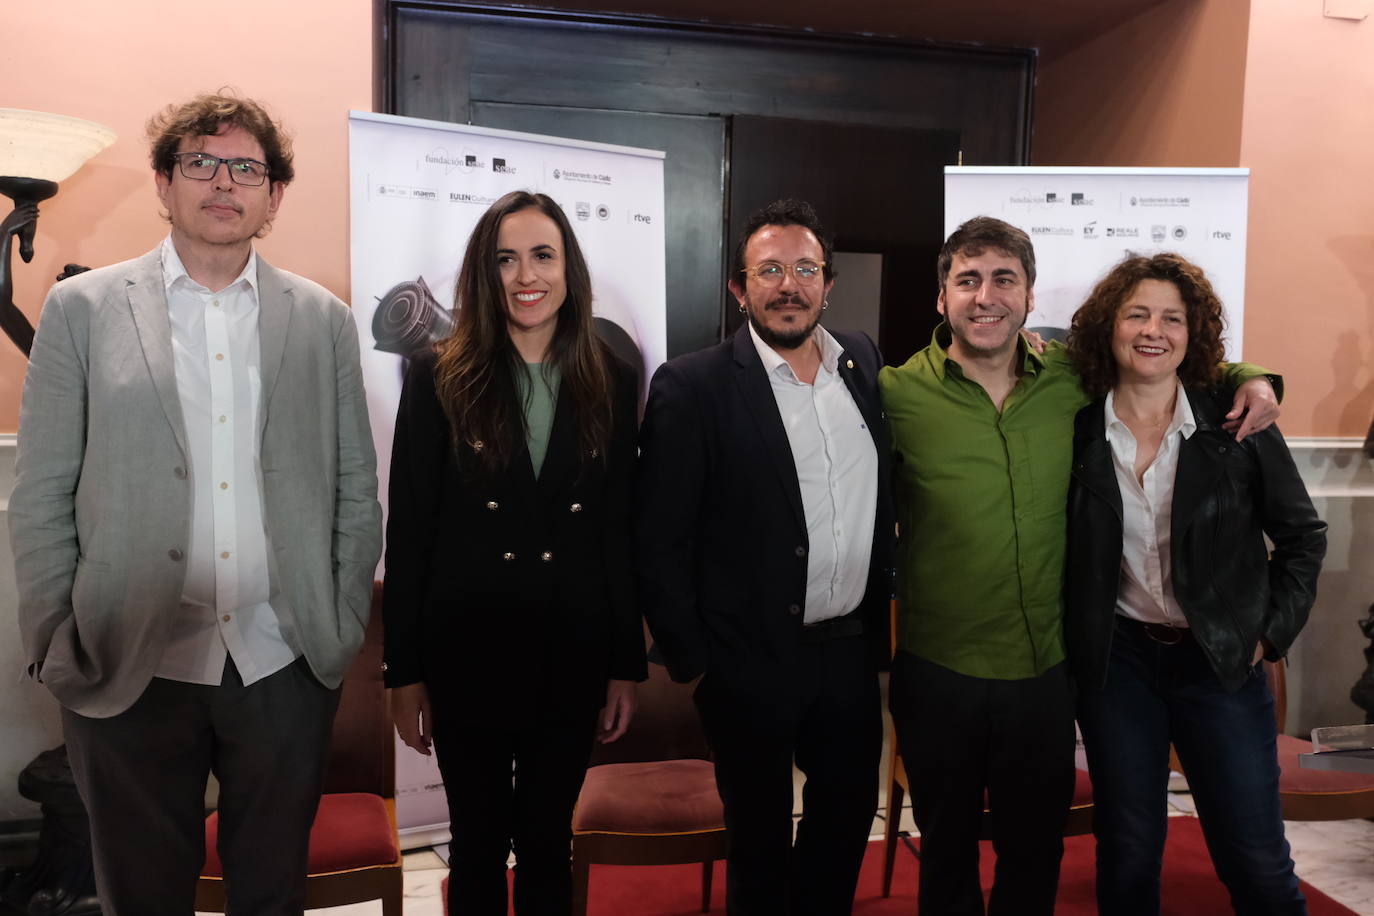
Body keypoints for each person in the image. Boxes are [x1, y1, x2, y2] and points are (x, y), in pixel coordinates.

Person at [9, 92, 382, 916]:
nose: (224, 181)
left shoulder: (324, 322)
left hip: (280, 656)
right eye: (200, 162)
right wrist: (56, 641)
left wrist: (341, 618)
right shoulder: (83, 310)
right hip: (129, 662)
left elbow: (357, 488)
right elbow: (39, 494)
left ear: (274, 195)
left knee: (272, 890)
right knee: (142, 895)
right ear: (163, 183)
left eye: (247, 167)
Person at [879, 217, 1281, 915]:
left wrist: (1254, 377)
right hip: (938, 667)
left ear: (1030, 296)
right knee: (945, 853)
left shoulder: (1073, 379)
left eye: (1004, 279)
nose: (985, 296)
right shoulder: (893, 393)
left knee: (1033, 854)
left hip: (1045, 670)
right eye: (967, 280)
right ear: (940, 297)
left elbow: (1168, 360)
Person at [383, 190, 645, 915]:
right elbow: (408, 530)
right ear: (481, 272)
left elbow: (619, 527)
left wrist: (626, 662)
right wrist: (403, 672)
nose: (524, 275)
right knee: (476, 844)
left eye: (541, 255)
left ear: (569, 268)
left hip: (573, 650)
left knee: (544, 842)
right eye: (504, 258)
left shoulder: (612, 376)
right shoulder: (439, 374)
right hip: (466, 651)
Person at [636, 198, 892, 914]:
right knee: (758, 843)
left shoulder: (862, 362)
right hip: (746, 659)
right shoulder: (693, 386)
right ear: (739, 288)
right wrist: (696, 662)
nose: (789, 285)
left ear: (828, 284)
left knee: (845, 825)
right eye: (770, 270)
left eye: (805, 269)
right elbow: (659, 536)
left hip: (846, 654)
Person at [1064, 252, 1325, 915]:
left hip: (1221, 664)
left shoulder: (1237, 420)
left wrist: (1269, 636)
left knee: (1256, 861)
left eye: (1172, 318)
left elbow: (1302, 536)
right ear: (1109, 326)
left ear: (1193, 331)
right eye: (1137, 314)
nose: (1154, 331)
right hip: (1120, 664)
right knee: (1126, 852)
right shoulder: (1076, 424)